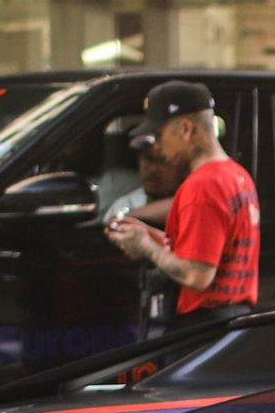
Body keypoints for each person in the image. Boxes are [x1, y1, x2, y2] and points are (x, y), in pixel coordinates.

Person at [106, 81, 259, 331]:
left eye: (159, 135)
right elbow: (208, 248)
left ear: (186, 129)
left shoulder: (202, 185)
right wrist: (148, 237)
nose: (157, 146)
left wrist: (145, 248)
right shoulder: (237, 175)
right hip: (231, 321)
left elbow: (197, 275)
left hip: (204, 327)